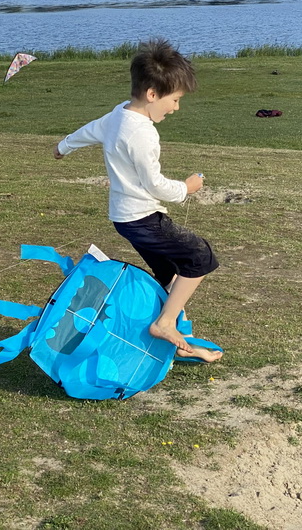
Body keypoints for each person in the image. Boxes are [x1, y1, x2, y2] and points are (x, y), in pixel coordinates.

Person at [53, 39, 221, 362]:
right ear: (152, 95)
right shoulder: (142, 133)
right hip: (143, 219)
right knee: (200, 256)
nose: (176, 108)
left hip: (124, 218)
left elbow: (91, 130)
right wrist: (188, 187)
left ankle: (176, 341)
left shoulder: (119, 114)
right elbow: (154, 184)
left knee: (170, 276)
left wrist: (63, 146)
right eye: (174, 100)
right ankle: (166, 324)